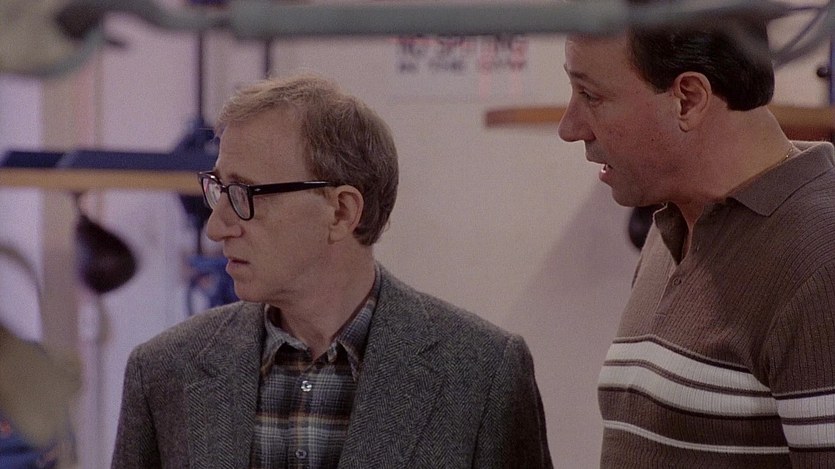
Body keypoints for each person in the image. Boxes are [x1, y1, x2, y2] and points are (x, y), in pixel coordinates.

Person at [111, 73, 552, 468]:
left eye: (244, 194)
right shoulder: (164, 372)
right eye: (219, 190)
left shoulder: (482, 375)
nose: (216, 226)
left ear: (341, 212)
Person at [557, 5, 835, 468]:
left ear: (687, 99)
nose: (570, 128)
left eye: (591, 95)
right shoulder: (672, 228)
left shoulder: (821, 262)